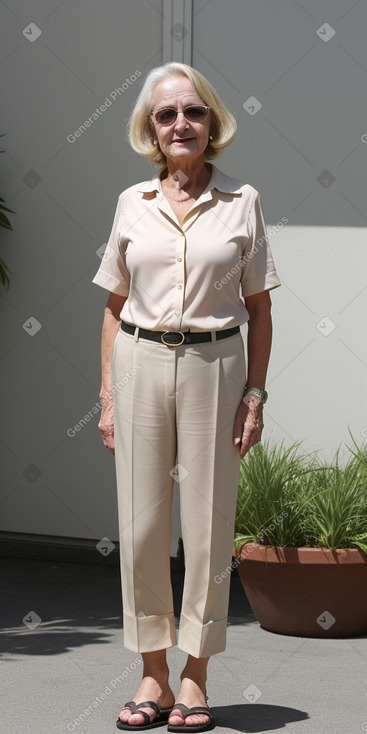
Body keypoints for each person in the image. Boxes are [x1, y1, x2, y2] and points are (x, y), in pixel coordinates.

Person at [92, 62, 281, 732]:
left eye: (193, 113)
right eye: (167, 114)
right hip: (139, 360)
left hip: (215, 367)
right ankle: (152, 674)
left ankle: (195, 677)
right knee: (142, 529)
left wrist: (254, 394)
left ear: (212, 124)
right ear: (150, 127)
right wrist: (109, 394)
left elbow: (258, 307)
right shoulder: (129, 204)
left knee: (206, 527)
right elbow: (114, 304)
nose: (180, 124)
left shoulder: (242, 201)